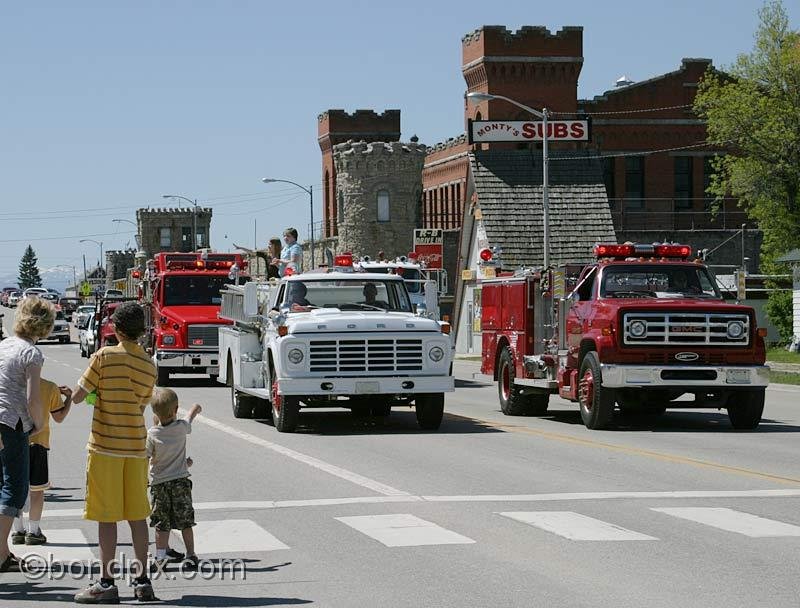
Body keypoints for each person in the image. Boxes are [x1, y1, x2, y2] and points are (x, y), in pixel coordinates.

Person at [72, 302, 158, 604]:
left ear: (116, 329)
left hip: (105, 446)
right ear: (142, 331)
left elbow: (80, 395)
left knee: (106, 518)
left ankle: (107, 583)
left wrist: (91, 393)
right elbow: (142, 403)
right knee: (137, 516)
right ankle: (143, 581)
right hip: (135, 447)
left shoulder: (104, 356)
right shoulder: (149, 365)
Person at [0, 296, 53, 573]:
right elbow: (33, 398)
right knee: (15, 487)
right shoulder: (32, 354)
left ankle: (5, 550)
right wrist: (39, 424)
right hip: (13, 422)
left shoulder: (3, 345)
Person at [9, 379, 71, 546]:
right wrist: (69, 398)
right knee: (37, 490)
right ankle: (33, 531)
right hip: (39, 443)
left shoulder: (9, 383)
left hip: (12, 443)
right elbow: (59, 417)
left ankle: (18, 530)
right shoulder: (49, 387)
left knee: (14, 488)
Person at [146, 389, 202, 571]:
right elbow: (189, 418)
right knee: (185, 521)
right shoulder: (180, 428)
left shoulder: (152, 434)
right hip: (180, 482)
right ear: (176, 409)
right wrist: (195, 408)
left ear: (154, 413)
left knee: (161, 523)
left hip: (159, 484)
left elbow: (145, 456)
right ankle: (191, 555)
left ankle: (160, 557)